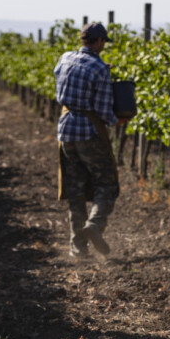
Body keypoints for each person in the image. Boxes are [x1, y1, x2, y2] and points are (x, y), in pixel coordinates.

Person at [54, 22, 126, 258]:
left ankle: (78, 248)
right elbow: (104, 111)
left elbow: (59, 77)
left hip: (65, 131)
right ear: (98, 42)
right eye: (103, 41)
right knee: (107, 184)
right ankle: (94, 225)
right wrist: (117, 120)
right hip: (88, 131)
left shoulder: (65, 58)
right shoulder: (99, 68)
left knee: (74, 191)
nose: (104, 45)